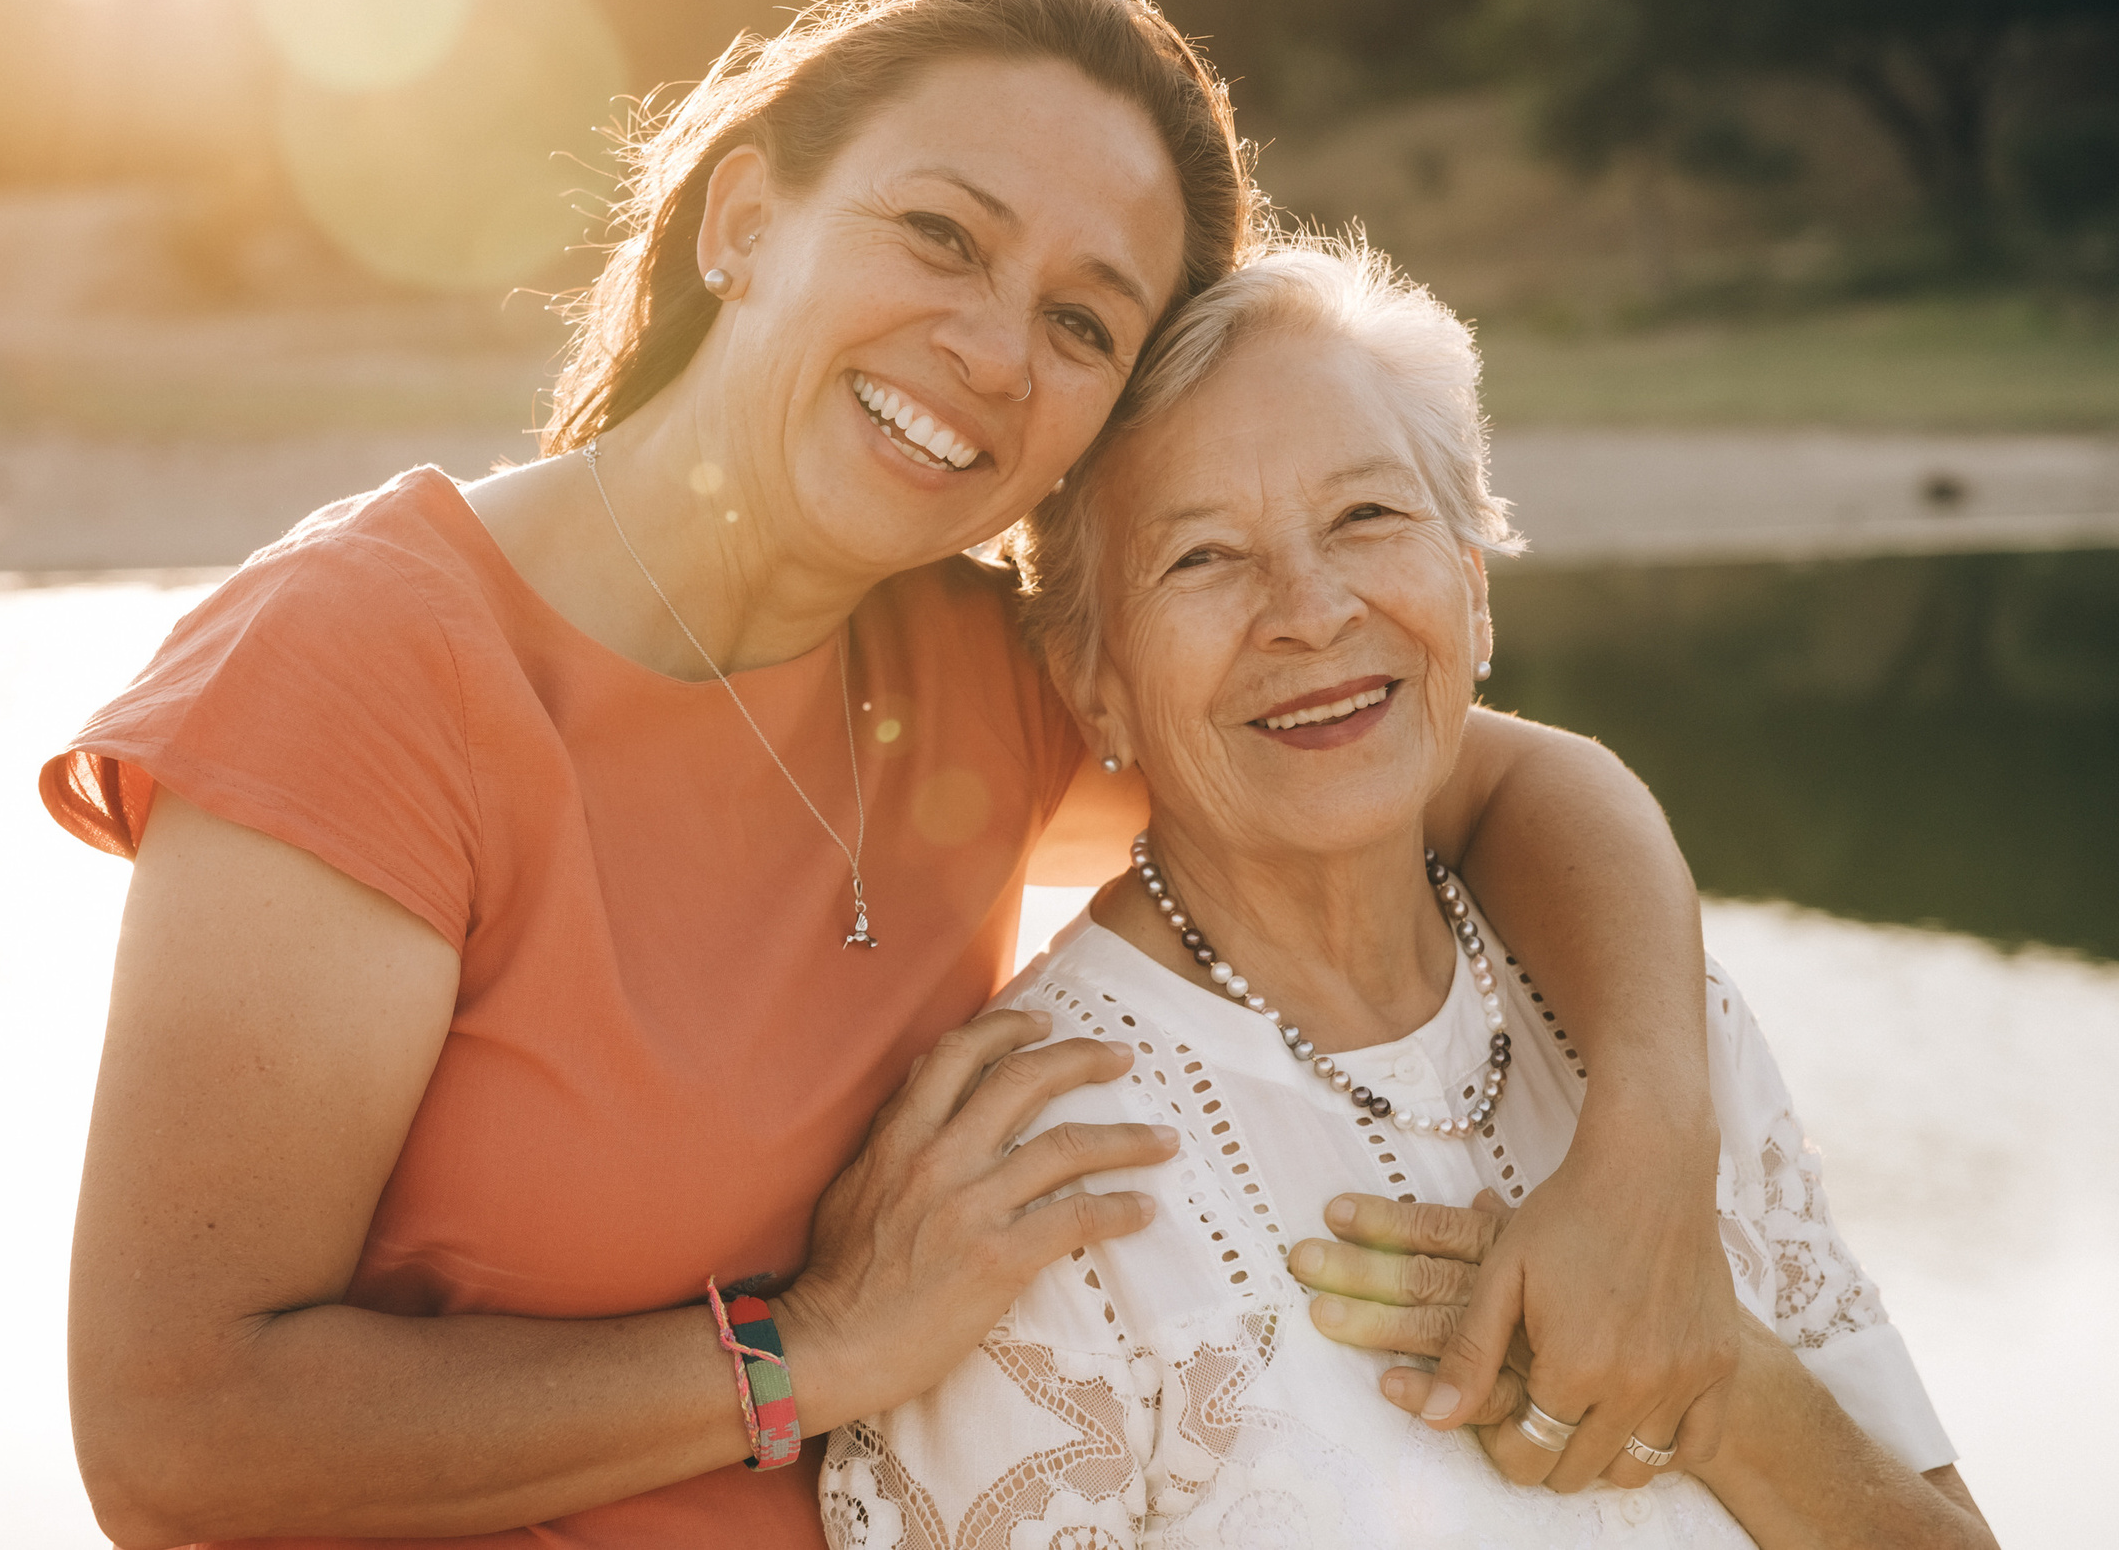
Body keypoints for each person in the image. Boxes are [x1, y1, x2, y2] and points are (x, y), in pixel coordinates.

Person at [44, 0, 1737, 1550]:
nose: (996, 354)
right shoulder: (367, 670)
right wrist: (810, 1355)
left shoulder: (976, 678)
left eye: (1085, 327)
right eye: (942, 236)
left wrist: (1651, 1147)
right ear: (746, 219)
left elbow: (1502, 781)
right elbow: (177, 1431)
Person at [824, 237, 1990, 1548]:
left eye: (1368, 518)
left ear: (1475, 589)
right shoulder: (1031, 1171)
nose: (1311, 612)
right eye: (1203, 557)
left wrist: (1723, 1384)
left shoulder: (1648, 1022)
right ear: (1093, 680)